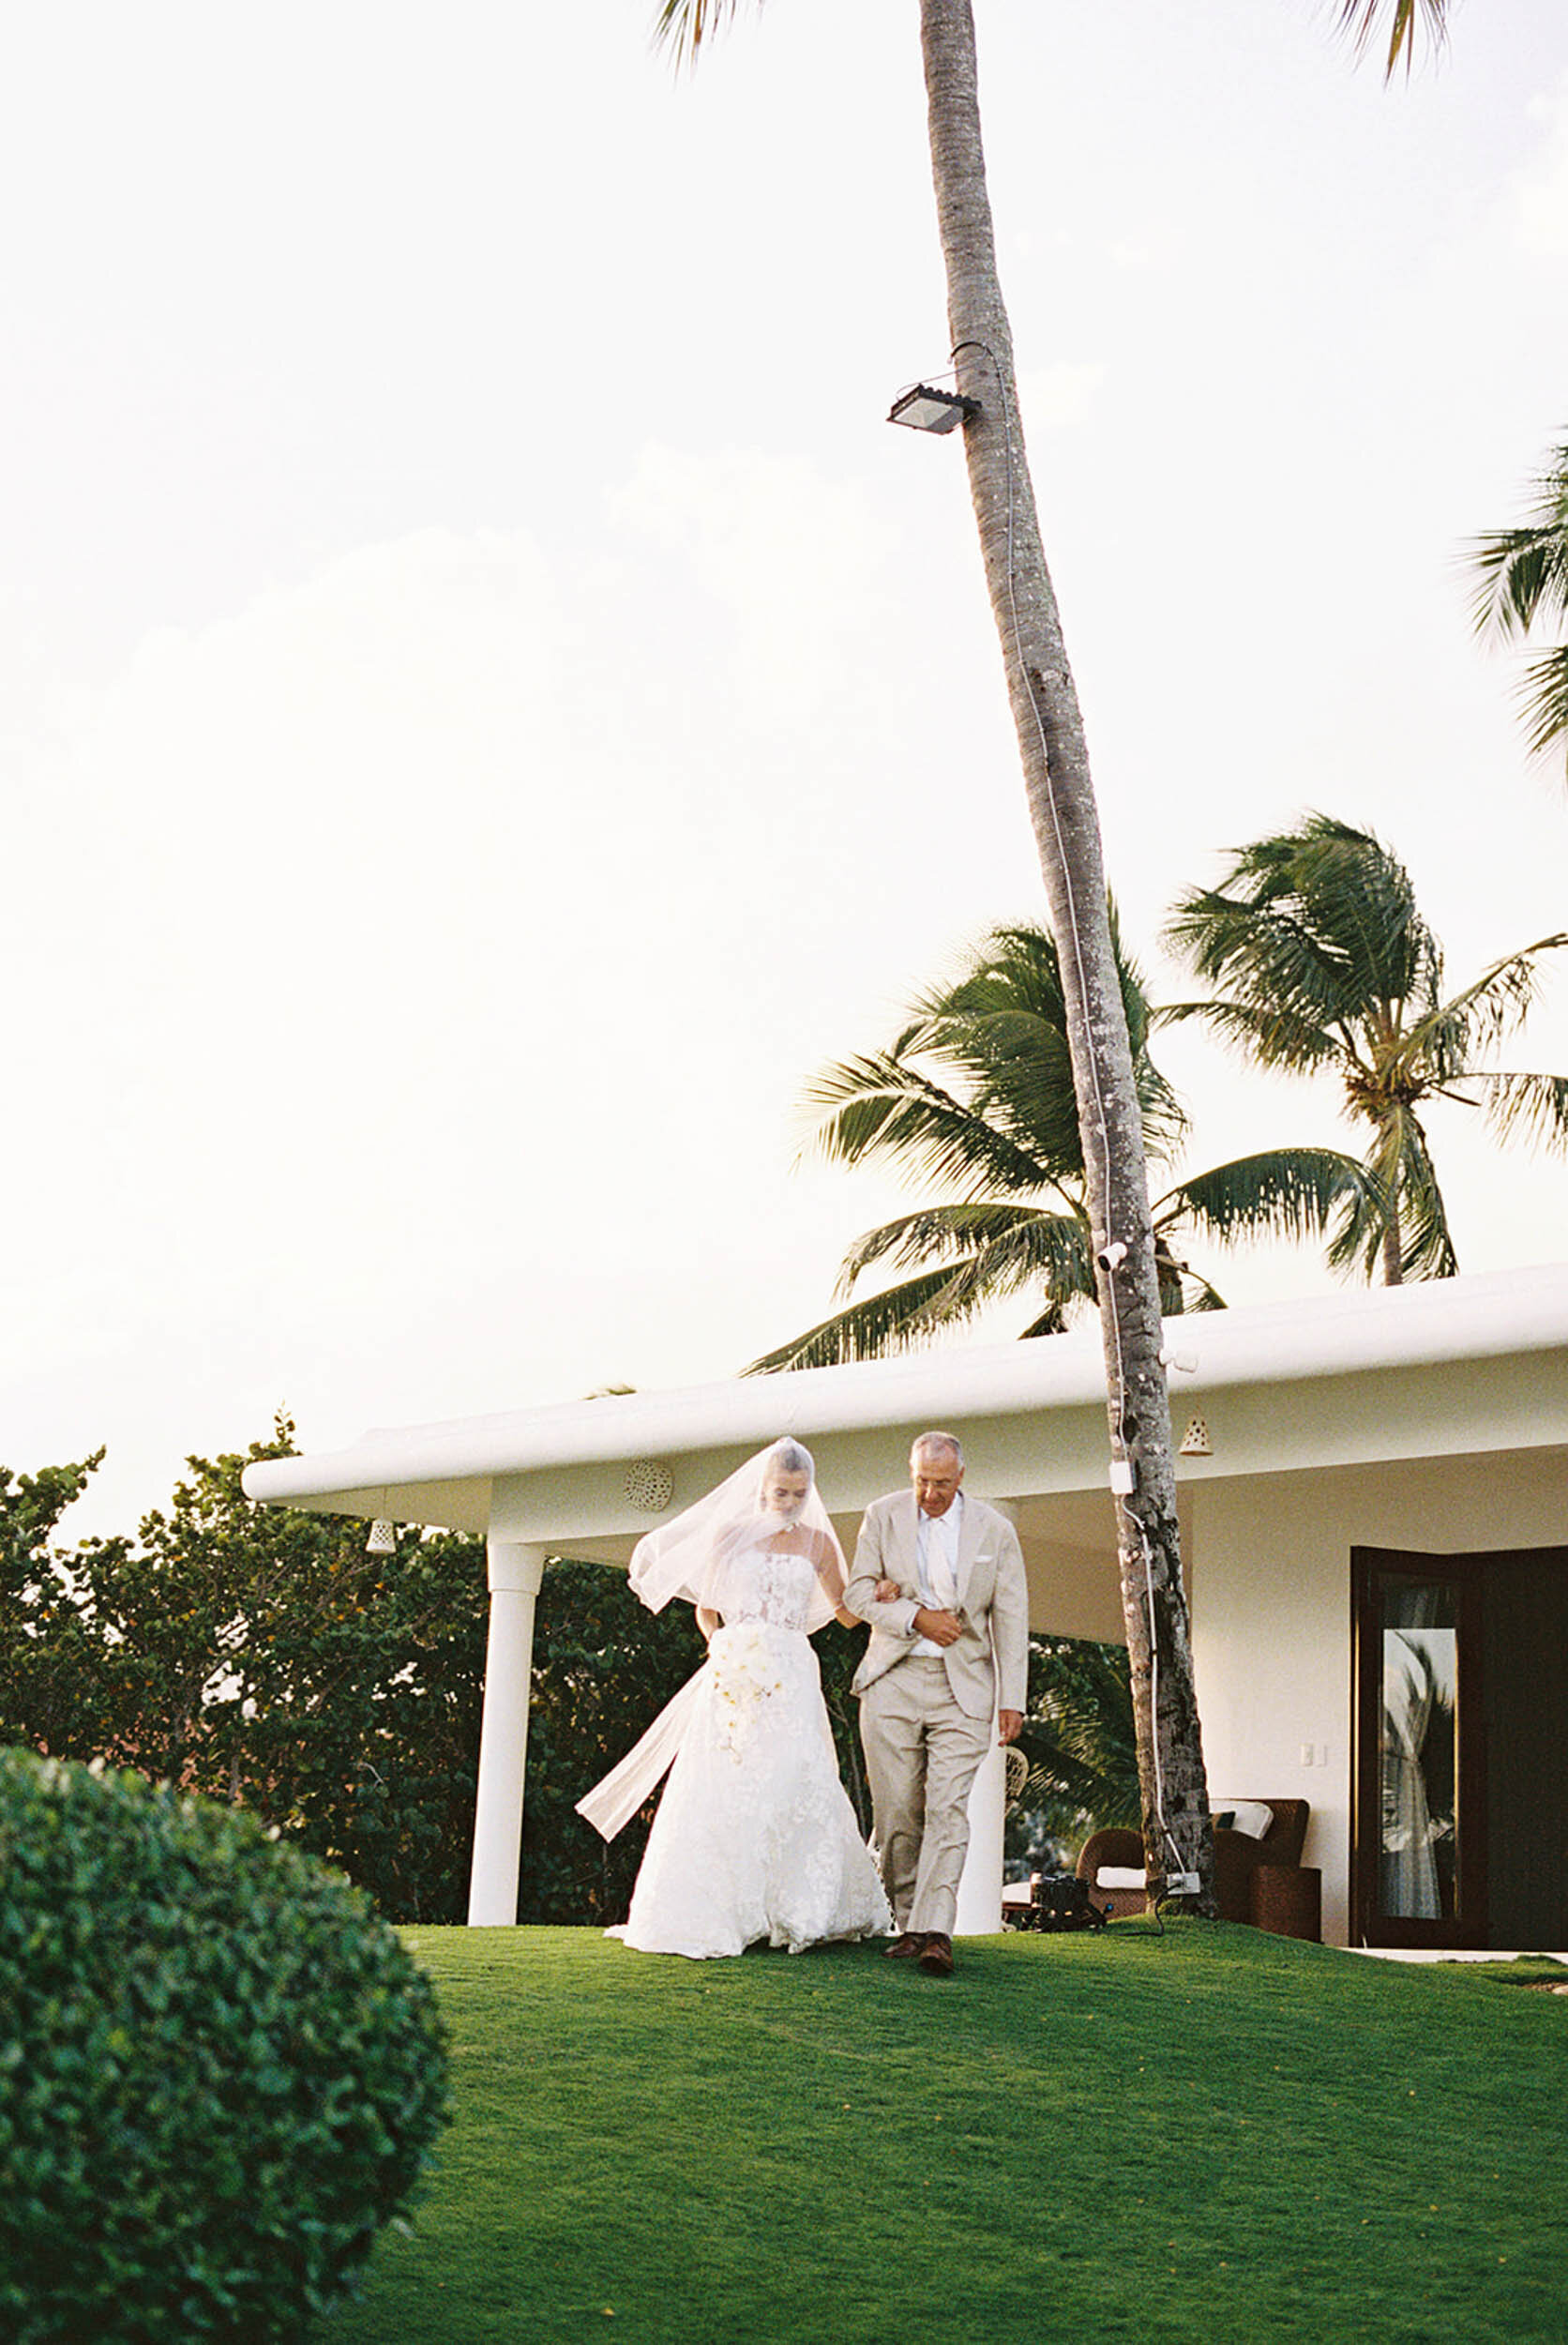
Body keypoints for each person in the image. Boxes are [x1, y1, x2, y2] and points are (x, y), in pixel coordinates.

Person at [577, 1438, 891, 1959]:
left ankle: (800, 1906)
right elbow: (707, 1607)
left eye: (798, 1492)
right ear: (762, 1487)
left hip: (791, 1667)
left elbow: (845, 1612)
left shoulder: (816, 1542)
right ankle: (729, 1907)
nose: (789, 1501)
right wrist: (720, 1647)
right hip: (737, 1666)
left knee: (796, 1772)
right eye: (780, 1491)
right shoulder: (731, 1534)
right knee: (727, 1778)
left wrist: (877, 1593)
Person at [846, 1430, 1029, 1978]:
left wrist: (1012, 1699)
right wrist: (915, 1616)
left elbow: (1012, 1617)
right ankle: (908, 1924)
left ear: (961, 1478)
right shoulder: (881, 1516)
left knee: (947, 1808)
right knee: (898, 1810)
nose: (930, 1493)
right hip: (892, 1678)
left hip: (965, 1688)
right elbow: (855, 1596)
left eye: (941, 1483)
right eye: (922, 1481)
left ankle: (936, 1932)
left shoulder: (996, 1530)